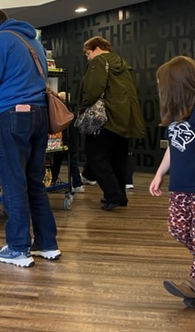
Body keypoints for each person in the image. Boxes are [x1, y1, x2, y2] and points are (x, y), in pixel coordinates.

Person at [0, 3, 59, 268]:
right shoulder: (31, 40)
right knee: (34, 181)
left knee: (13, 181)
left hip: (12, 116)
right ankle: (46, 243)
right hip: (40, 114)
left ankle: (18, 247)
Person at [149, 56, 195, 307]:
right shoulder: (176, 118)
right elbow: (172, 149)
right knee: (177, 229)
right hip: (178, 187)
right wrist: (159, 174)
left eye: (161, 85)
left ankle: (192, 284)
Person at [79, 36, 144, 211]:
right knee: (118, 158)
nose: (88, 57)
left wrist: (83, 108)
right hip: (126, 117)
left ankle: (113, 194)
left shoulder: (99, 61)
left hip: (106, 118)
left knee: (95, 156)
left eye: (88, 53)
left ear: (96, 48)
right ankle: (120, 196)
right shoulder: (123, 63)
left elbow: (93, 89)